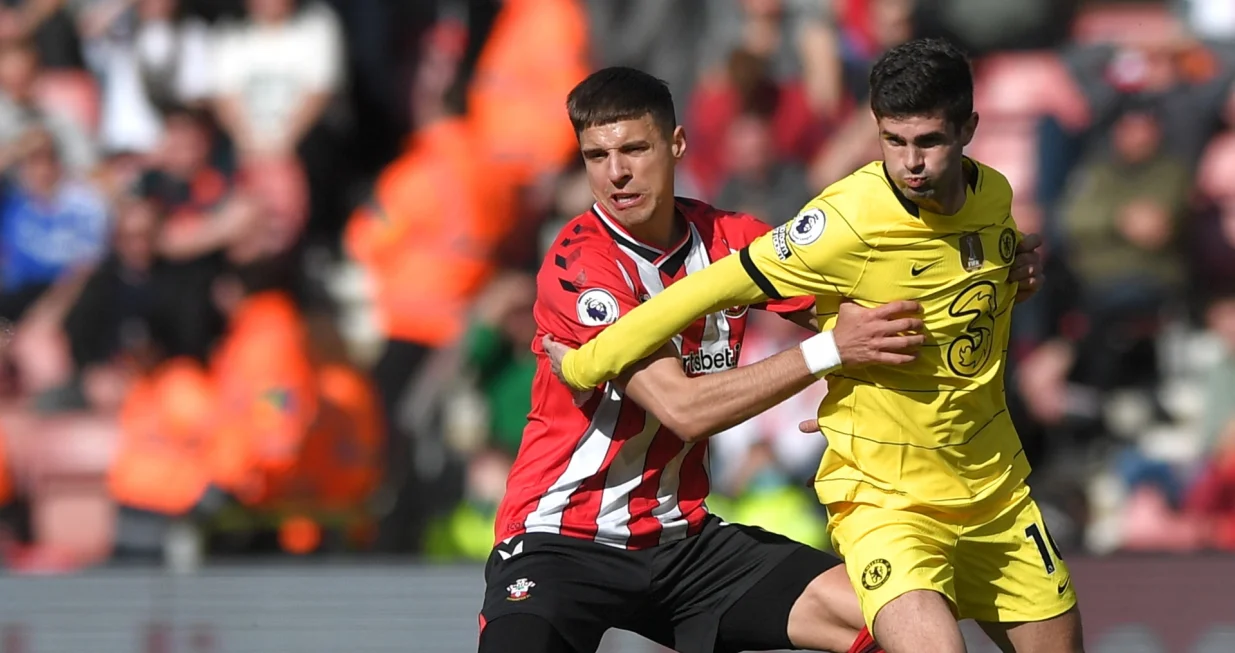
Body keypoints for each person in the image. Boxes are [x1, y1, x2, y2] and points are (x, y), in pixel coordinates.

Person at [550, 40, 1079, 653]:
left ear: (968, 130)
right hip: (888, 503)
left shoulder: (994, 196)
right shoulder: (843, 221)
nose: (910, 163)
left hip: (996, 492)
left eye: (928, 142)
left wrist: (1013, 276)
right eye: (893, 141)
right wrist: (587, 362)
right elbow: (700, 290)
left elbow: (965, 286)